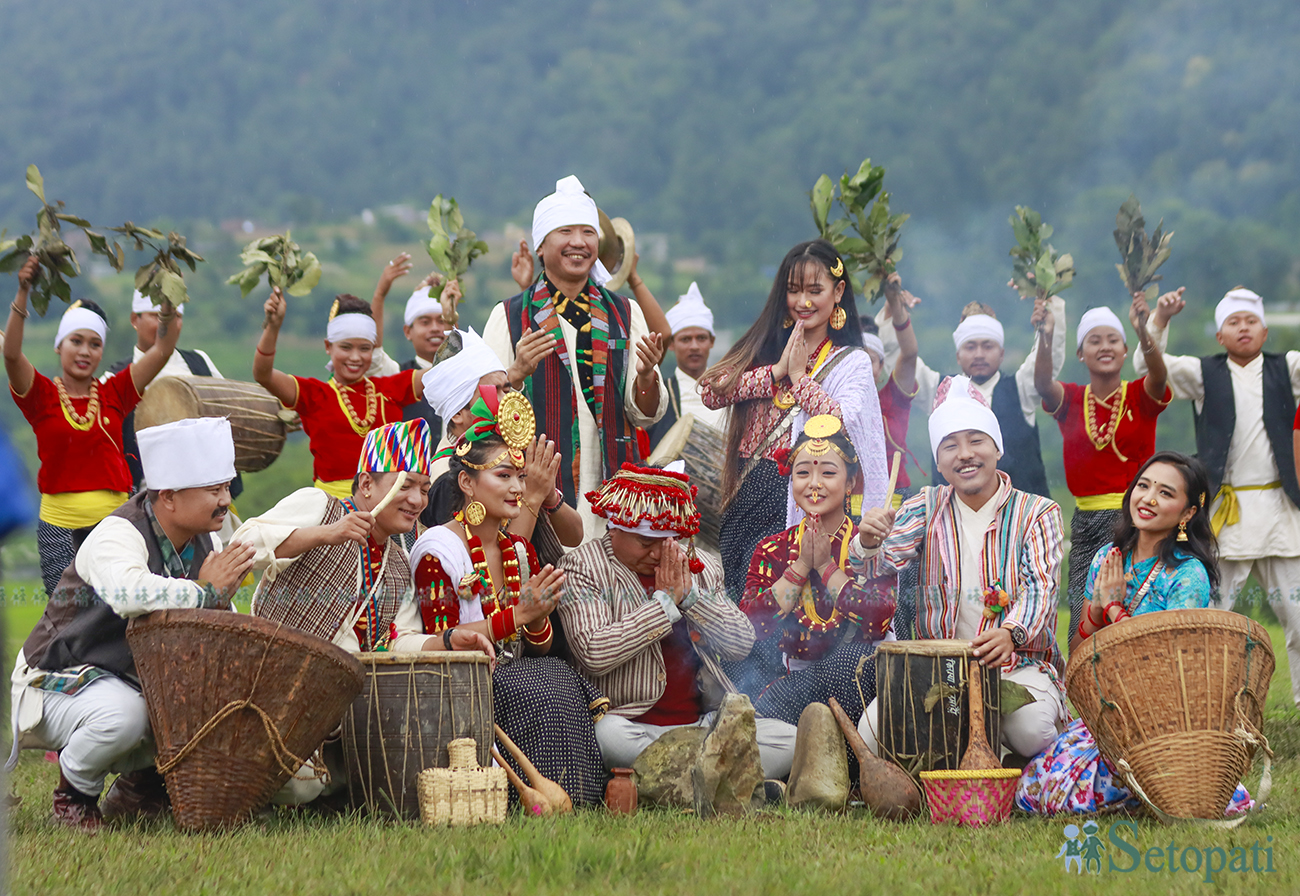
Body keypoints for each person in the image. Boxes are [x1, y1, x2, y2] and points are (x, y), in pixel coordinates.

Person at [6, 417, 254, 830]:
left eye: (226, 487)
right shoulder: (117, 534)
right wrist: (206, 591)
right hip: (57, 676)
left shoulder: (204, 538)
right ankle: (75, 793)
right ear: (170, 496)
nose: (226, 499)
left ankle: (140, 788)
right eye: (215, 489)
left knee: (219, 696)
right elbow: (130, 594)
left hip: (126, 680)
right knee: (125, 716)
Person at [1017, 451, 1253, 815]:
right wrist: (1096, 610)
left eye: (1166, 493)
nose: (1149, 498)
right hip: (1113, 713)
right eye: (1143, 486)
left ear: (1188, 513)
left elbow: (1162, 667)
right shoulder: (1108, 559)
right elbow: (1081, 653)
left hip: (1165, 719)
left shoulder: (1188, 576)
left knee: (1087, 792)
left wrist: (1113, 607)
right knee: (1035, 785)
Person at [407, 390, 607, 804]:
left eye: (521, 476)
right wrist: (519, 615)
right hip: (461, 683)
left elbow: (539, 645)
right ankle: (520, 799)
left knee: (559, 675)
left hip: (509, 670)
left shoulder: (517, 549)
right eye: (503, 476)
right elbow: (443, 640)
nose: (518, 487)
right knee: (537, 687)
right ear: (466, 482)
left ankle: (574, 798)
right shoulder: (437, 550)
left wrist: (537, 618)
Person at [854, 376, 1067, 760]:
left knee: (1031, 730)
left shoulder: (1037, 512)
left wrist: (1010, 634)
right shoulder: (924, 505)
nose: (964, 454)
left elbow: (1041, 589)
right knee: (870, 734)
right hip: (938, 670)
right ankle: (973, 755)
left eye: (976, 440)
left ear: (997, 448)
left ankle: (1006, 762)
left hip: (1016, 664)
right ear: (939, 461)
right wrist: (868, 540)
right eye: (950, 445)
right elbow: (885, 562)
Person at [557, 463, 797, 779]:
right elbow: (593, 652)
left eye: (668, 540)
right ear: (614, 528)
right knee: (608, 737)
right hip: (632, 728)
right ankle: (717, 780)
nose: (659, 554)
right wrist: (664, 604)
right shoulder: (582, 567)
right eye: (646, 543)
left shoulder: (700, 566)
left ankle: (679, 781)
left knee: (789, 740)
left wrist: (690, 599)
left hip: (705, 730)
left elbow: (740, 644)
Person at [1137, 287, 1300, 706]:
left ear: (1265, 331)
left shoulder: (1289, 367)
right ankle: (1209, 705)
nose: (1242, 328)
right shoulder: (1202, 372)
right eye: (1233, 322)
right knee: (1214, 617)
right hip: (1225, 515)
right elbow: (1144, 364)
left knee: (1298, 619)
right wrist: (1160, 319)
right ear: (1219, 336)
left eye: (1250, 321)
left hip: (1282, 511)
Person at [484, 175, 668, 542]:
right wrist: (516, 373)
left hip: (616, 499)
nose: (578, 243)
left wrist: (646, 377)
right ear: (541, 246)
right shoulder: (509, 316)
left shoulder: (624, 313)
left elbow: (644, 414)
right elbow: (479, 410)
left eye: (587, 232)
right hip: (538, 501)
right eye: (565, 231)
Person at [699, 239, 887, 596]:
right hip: (747, 494)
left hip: (807, 499)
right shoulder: (764, 348)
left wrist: (800, 380)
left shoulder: (852, 362)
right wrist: (776, 371)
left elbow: (842, 424)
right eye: (793, 290)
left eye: (815, 290)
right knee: (744, 610)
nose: (803, 302)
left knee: (787, 616)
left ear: (838, 291)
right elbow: (710, 391)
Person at [5, 257, 182, 594]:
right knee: (64, 620)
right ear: (59, 345)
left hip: (115, 525)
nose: (85, 351)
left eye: (94, 344)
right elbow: (12, 355)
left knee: (117, 616)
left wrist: (168, 299)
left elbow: (162, 349)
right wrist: (23, 292)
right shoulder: (41, 394)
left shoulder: (115, 390)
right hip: (59, 527)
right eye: (76, 341)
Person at [738, 416, 895, 754]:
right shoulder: (773, 549)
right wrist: (799, 567)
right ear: (791, 481)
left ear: (851, 482)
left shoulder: (868, 542)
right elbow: (749, 627)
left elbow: (877, 617)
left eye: (828, 472)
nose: (814, 484)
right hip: (800, 686)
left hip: (863, 681)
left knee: (849, 661)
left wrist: (824, 566)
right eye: (803, 472)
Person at [1035, 294, 1173, 644]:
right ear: (1081, 354)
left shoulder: (1140, 394)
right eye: (1094, 341)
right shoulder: (1071, 399)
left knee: (1131, 605)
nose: (1105, 347)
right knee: (1084, 612)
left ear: (1126, 350)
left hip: (1135, 519)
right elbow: (1041, 385)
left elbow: (1159, 375)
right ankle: (1080, 691)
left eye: (1113, 339)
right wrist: (1045, 335)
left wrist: (1143, 329)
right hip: (1085, 521)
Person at [876, 295, 1066, 498]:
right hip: (953, 520)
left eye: (988, 346)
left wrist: (1048, 312)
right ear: (958, 355)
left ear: (1001, 353)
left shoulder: (1021, 388)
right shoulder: (938, 391)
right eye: (970, 347)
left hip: (1022, 519)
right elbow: (901, 358)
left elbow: (1047, 358)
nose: (979, 354)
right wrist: (892, 308)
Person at [253, 289, 429, 499]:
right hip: (332, 511)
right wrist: (273, 326)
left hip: (386, 509)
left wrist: (449, 316)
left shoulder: (390, 388)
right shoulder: (315, 394)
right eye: (346, 347)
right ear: (328, 346)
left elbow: (442, 372)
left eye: (364, 349)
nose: (355, 357)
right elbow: (263, 374)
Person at [419, 333, 583, 554]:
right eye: (492, 392)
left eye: (506, 390)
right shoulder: (445, 476)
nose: (506, 401)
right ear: (458, 413)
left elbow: (574, 537)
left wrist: (548, 495)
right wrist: (532, 496)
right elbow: (491, 564)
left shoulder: (513, 454)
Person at [107, 290, 243, 501]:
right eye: (159, 316)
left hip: (211, 494)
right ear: (135, 319)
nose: (167, 324)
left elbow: (230, 409)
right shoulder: (115, 378)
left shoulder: (199, 361)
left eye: (176, 317)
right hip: (149, 499)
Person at [367, 251, 462, 434]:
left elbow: (456, 354)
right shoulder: (398, 375)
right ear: (407, 331)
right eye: (425, 322)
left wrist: (450, 312)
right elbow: (373, 355)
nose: (435, 328)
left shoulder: (465, 374)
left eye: (441, 321)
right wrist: (380, 295)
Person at [647, 281, 727, 448]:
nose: (694, 346)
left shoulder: (727, 391)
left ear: (712, 341)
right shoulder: (659, 393)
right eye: (685, 339)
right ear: (671, 344)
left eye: (701, 338)